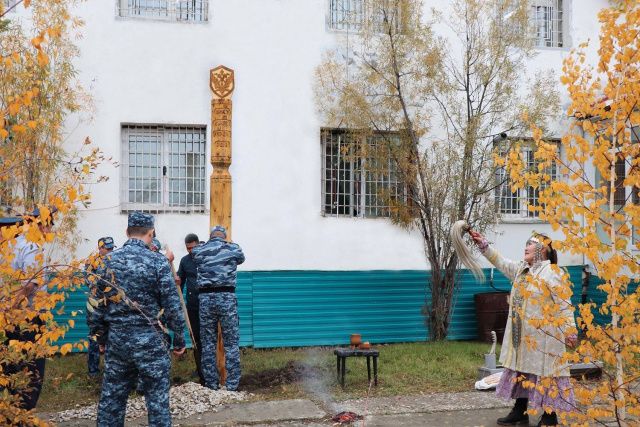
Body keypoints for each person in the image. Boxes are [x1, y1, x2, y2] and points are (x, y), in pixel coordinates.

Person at [469, 231, 577, 427]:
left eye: (530, 244)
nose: (525, 247)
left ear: (542, 249)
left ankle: (550, 416)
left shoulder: (553, 273)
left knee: (547, 374)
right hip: (522, 337)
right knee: (522, 371)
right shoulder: (521, 270)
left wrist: (570, 330)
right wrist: (483, 245)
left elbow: (564, 304)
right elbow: (501, 262)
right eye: (526, 243)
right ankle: (520, 411)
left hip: (546, 338)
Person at [90, 212, 186, 427]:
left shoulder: (107, 262)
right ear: (151, 233)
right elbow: (172, 306)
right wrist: (179, 340)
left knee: (112, 401)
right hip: (151, 341)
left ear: (127, 232)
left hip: (118, 341)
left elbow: (96, 307)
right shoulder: (158, 262)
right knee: (157, 402)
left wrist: (101, 339)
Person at [3, 208, 54, 410]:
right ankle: (24, 413)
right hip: (28, 319)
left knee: (10, 366)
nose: (51, 230)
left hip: (8, 319)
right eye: (49, 225)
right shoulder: (32, 246)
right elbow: (30, 284)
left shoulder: (11, 245)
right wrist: (11, 307)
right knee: (32, 369)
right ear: (40, 225)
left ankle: (11, 412)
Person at [192, 225, 245, 391]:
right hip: (226, 298)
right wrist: (230, 244)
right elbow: (241, 258)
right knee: (231, 343)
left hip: (205, 299)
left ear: (211, 236)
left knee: (208, 343)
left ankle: (211, 384)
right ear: (224, 236)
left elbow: (194, 255)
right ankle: (232, 386)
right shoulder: (233, 249)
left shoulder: (200, 250)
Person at [85, 236, 115, 377]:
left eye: (111, 248)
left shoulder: (116, 259)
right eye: (107, 249)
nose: (109, 251)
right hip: (96, 306)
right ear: (100, 248)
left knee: (112, 337)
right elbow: (89, 281)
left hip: (112, 305)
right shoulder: (92, 262)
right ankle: (93, 371)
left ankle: (111, 371)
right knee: (94, 337)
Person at [176, 233, 204, 383]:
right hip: (193, 307)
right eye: (188, 248)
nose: (191, 251)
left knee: (209, 338)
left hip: (208, 305)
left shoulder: (207, 256)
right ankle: (200, 371)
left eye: (193, 247)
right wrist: (177, 281)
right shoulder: (185, 261)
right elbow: (180, 281)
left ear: (198, 244)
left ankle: (212, 368)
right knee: (196, 339)